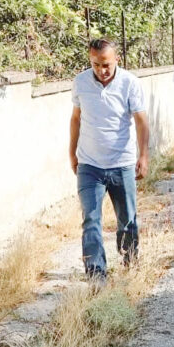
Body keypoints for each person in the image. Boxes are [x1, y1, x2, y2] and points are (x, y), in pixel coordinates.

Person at [69, 39, 150, 282]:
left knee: (127, 220)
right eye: (95, 64)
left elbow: (142, 121)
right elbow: (75, 118)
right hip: (90, 165)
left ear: (116, 60)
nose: (101, 70)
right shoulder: (80, 82)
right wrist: (72, 153)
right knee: (91, 219)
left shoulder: (129, 83)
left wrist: (143, 155)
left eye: (106, 64)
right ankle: (96, 275)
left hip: (122, 163)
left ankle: (130, 261)